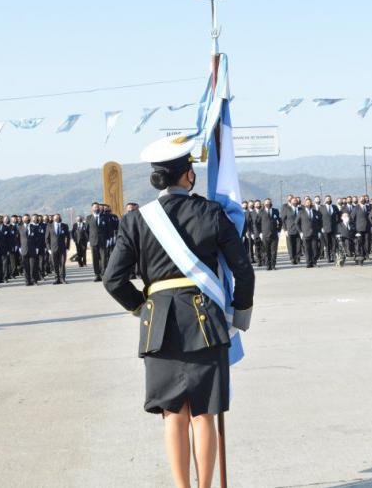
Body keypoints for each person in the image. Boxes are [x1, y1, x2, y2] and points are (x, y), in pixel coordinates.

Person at [103, 135, 254, 488]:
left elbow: (113, 280)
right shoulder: (211, 213)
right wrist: (239, 316)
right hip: (206, 322)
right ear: (188, 176)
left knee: (173, 414)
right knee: (204, 414)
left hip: (159, 324)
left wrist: (144, 309)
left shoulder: (137, 221)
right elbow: (243, 270)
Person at [86, 202, 109, 281]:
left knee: (104, 258)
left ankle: (104, 274)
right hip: (93, 241)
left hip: (103, 241)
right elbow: (86, 230)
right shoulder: (89, 218)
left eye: (97, 207)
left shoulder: (104, 217)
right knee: (95, 259)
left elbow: (109, 230)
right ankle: (97, 275)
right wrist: (88, 241)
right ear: (92, 208)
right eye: (95, 207)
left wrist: (109, 239)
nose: (96, 208)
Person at [46, 214, 70, 283]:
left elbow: (68, 237)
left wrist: (67, 247)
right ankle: (57, 278)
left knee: (62, 264)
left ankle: (63, 278)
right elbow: (47, 238)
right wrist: (48, 249)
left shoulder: (64, 226)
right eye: (56, 218)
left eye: (58, 217)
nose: (57, 218)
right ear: (53, 219)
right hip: (53, 248)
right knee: (55, 264)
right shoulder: (49, 226)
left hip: (62, 248)